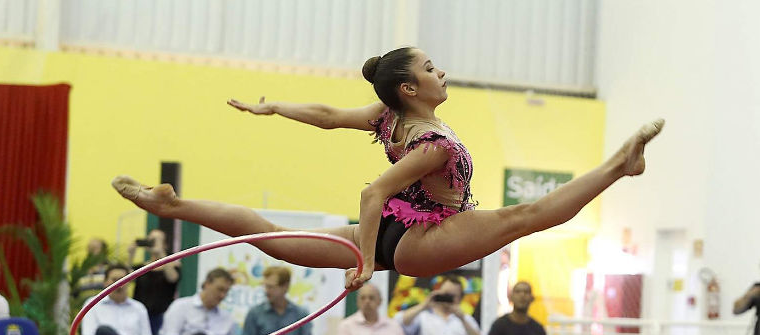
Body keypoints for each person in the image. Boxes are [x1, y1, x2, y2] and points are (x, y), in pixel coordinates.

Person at [112, 46, 663, 290]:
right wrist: (369, 264)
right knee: (528, 215)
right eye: (429, 68)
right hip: (423, 237)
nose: (440, 71)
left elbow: (328, 116)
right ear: (409, 88)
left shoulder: (386, 116)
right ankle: (619, 163)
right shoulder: (433, 145)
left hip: (399, 228)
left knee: (274, 239)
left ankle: (172, 205)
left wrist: (275, 107)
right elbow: (372, 192)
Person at [129, 229, 180, 335]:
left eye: (157, 240)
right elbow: (126, 279)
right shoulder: (141, 267)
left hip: (161, 316)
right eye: (151, 240)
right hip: (140, 315)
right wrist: (131, 255)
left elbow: (173, 278)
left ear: (165, 244)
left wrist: (161, 254)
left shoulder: (173, 265)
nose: (153, 243)